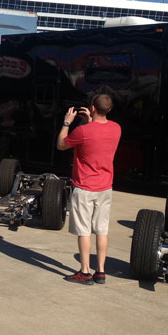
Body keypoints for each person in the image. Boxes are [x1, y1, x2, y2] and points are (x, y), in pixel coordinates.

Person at [56, 94, 122, 285]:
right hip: (105, 187)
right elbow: (99, 132)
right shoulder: (116, 129)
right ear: (109, 110)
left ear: (92, 107)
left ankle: (85, 272)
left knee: (84, 230)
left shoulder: (82, 131)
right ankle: (100, 271)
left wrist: (67, 123)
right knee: (102, 230)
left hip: (84, 187)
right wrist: (90, 121)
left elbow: (62, 144)